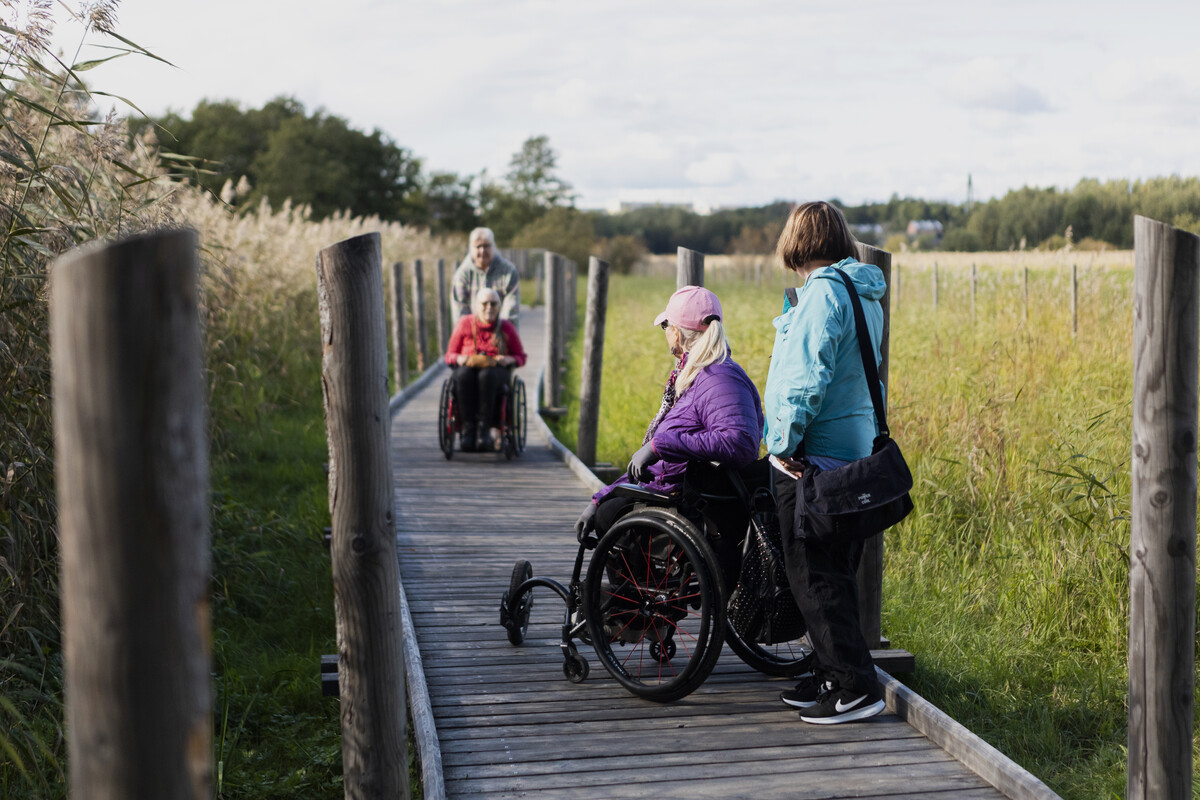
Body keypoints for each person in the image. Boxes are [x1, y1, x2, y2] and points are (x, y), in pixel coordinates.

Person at [764, 200, 889, 725]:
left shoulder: (821, 294)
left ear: (797, 242)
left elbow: (805, 378)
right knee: (835, 569)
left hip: (813, 455)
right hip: (853, 450)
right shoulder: (863, 292)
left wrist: (784, 442)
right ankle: (828, 668)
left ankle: (855, 686)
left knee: (812, 574)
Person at [574, 285, 764, 544]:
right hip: (670, 490)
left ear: (676, 333)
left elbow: (739, 442)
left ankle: (633, 583)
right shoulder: (694, 376)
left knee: (611, 515)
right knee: (607, 508)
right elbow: (652, 466)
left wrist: (659, 445)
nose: (665, 334)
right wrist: (599, 498)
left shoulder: (718, 377)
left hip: (684, 501)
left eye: (665, 327)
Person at [445, 287, 527, 451]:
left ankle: (484, 432)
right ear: (477, 306)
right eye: (485, 304)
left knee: (487, 375)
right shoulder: (465, 323)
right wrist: (459, 358)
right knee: (463, 375)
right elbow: (449, 355)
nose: (489, 307)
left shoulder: (506, 327)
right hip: (469, 367)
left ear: (499, 306)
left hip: (496, 371)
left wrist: (509, 359)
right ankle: (468, 431)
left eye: (494, 304)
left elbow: (521, 357)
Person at [452, 227, 520, 325]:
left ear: (493, 247)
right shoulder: (462, 275)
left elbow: (511, 311)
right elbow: (460, 314)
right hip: (472, 334)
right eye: (478, 246)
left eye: (486, 246)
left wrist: (498, 334)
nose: (483, 250)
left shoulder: (508, 271)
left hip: (502, 333)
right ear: (471, 248)